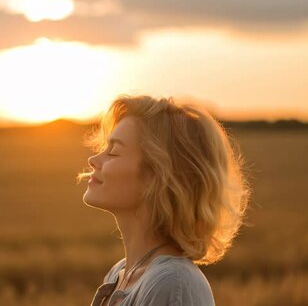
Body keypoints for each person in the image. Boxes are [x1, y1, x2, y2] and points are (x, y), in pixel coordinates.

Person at [77, 94, 252, 306]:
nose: (93, 160)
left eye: (113, 152)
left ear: (158, 176)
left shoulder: (172, 284)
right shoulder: (119, 274)